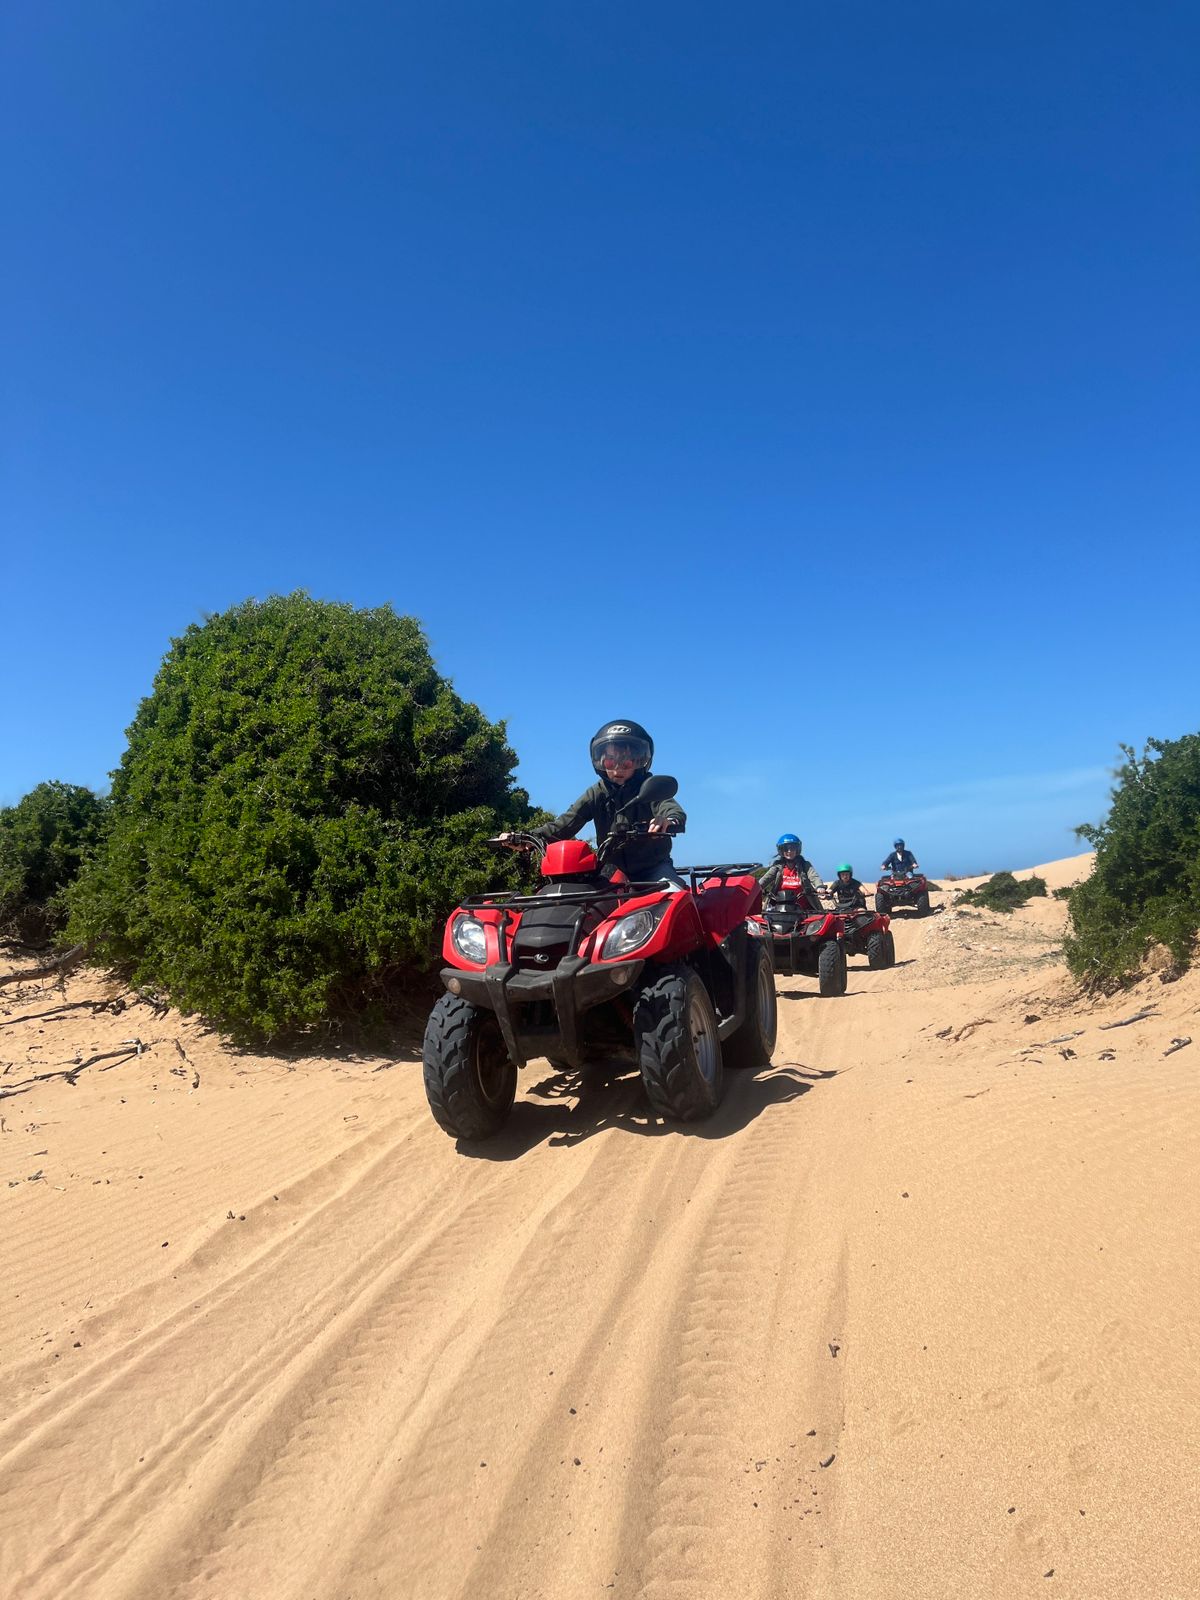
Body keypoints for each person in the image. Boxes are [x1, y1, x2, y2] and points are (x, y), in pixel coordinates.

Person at [499, 719, 686, 884]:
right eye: (610, 762)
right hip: (612, 870)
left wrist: (667, 821)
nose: (617, 768)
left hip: (653, 869)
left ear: (640, 762)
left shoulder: (650, 787)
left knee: (673, 894)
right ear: (600, 762)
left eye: (626, 762)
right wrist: (527, 837)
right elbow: (565, 824)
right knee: (583, 907)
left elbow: (671, 809)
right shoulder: (597, 792)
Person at [760, 834, 824, 911]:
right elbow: (765, 879)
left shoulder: (804, 865)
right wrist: (756, 888)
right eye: (786, 848)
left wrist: (820, 887)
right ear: (781, 851)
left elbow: (814, 876)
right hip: (780, 909)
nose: (789, 851)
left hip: (805, 909)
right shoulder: (777, 867)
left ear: (797, 849)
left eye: (792, 848)